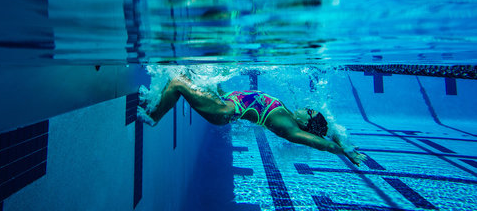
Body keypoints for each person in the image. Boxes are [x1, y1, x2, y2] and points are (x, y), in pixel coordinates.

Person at [142, 76, 367, 166]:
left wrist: (345, 152)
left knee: (177, 83)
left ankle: (153, 116)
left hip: (223, 111)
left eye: (309, 111)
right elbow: (327, 134)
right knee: (192, 73)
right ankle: (153, 105)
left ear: (307, 125)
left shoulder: (288, 127)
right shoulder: (288, 114)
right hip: (224, 100)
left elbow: (321, 143)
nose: (307, 107)